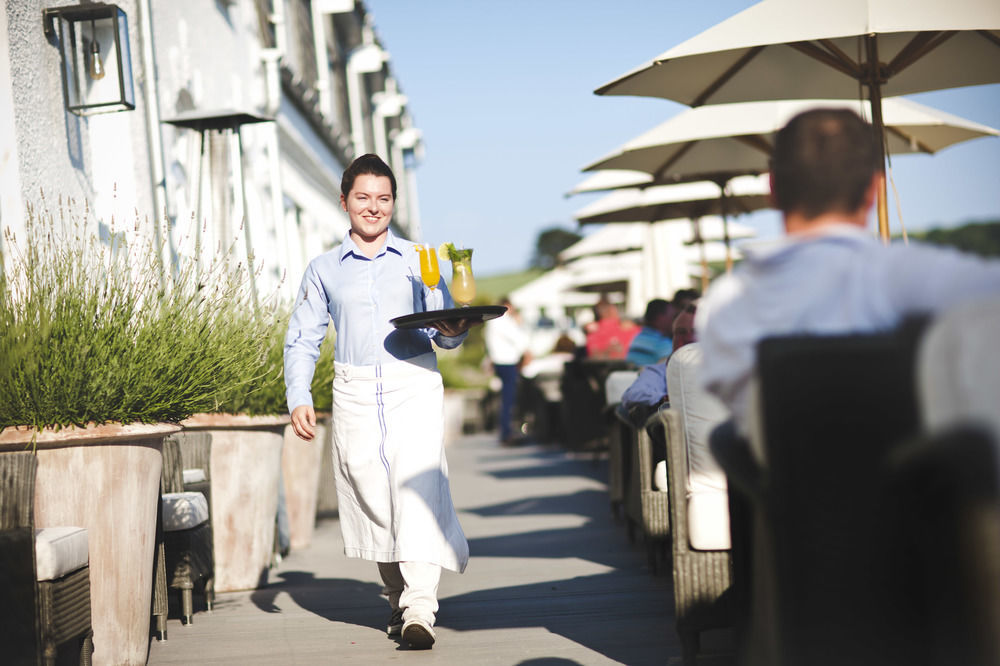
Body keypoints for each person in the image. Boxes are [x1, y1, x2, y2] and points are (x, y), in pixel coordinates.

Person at [695, 108, 1000, 433]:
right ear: (874, 189)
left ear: (772, 188)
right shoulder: (926, 278)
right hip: (927, 477)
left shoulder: (724, 307)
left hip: (793, 481)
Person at [284, 154, 473, 650]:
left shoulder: (420, 259)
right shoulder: (323, 268)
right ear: (344, 201)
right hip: (354, 388)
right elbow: (303, 338)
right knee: (372, 493)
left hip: (412, 381)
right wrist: (298, 394)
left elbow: (446, 331)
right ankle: (396, 598)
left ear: (394, 203)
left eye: (384, 198)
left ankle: (419, 610)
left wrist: (452, 330)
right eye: (363, 198)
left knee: (415, 493)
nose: (374, 207)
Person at [483, 296, 531, 444]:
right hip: (507, 362)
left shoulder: (493, 322)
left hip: (501, 362)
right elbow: (521, 340)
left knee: (507, 398)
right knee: (509, 399)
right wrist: (519, 323)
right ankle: (506, 433)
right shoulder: (503, 321)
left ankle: (507, 431)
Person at [625, 298, 674, 365]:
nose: (674, 321)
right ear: (660, 318)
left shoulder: (637, 338)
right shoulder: (661, 343)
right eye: (672, 316)